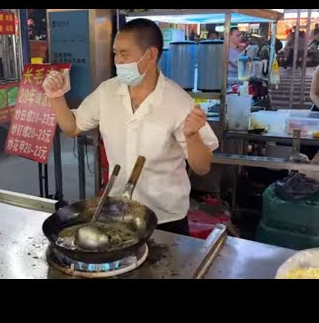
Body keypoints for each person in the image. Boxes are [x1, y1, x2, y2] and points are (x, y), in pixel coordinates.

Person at [42, 18, 219, 235]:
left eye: (124, 54)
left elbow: (202, 167)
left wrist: (192, 136)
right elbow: (72, 128)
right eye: (115, 53)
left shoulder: (178, 102)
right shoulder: (107, 92)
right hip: (118, 212)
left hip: (166, 218)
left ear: (151, 55)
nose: (118, 61)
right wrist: (56, 97)